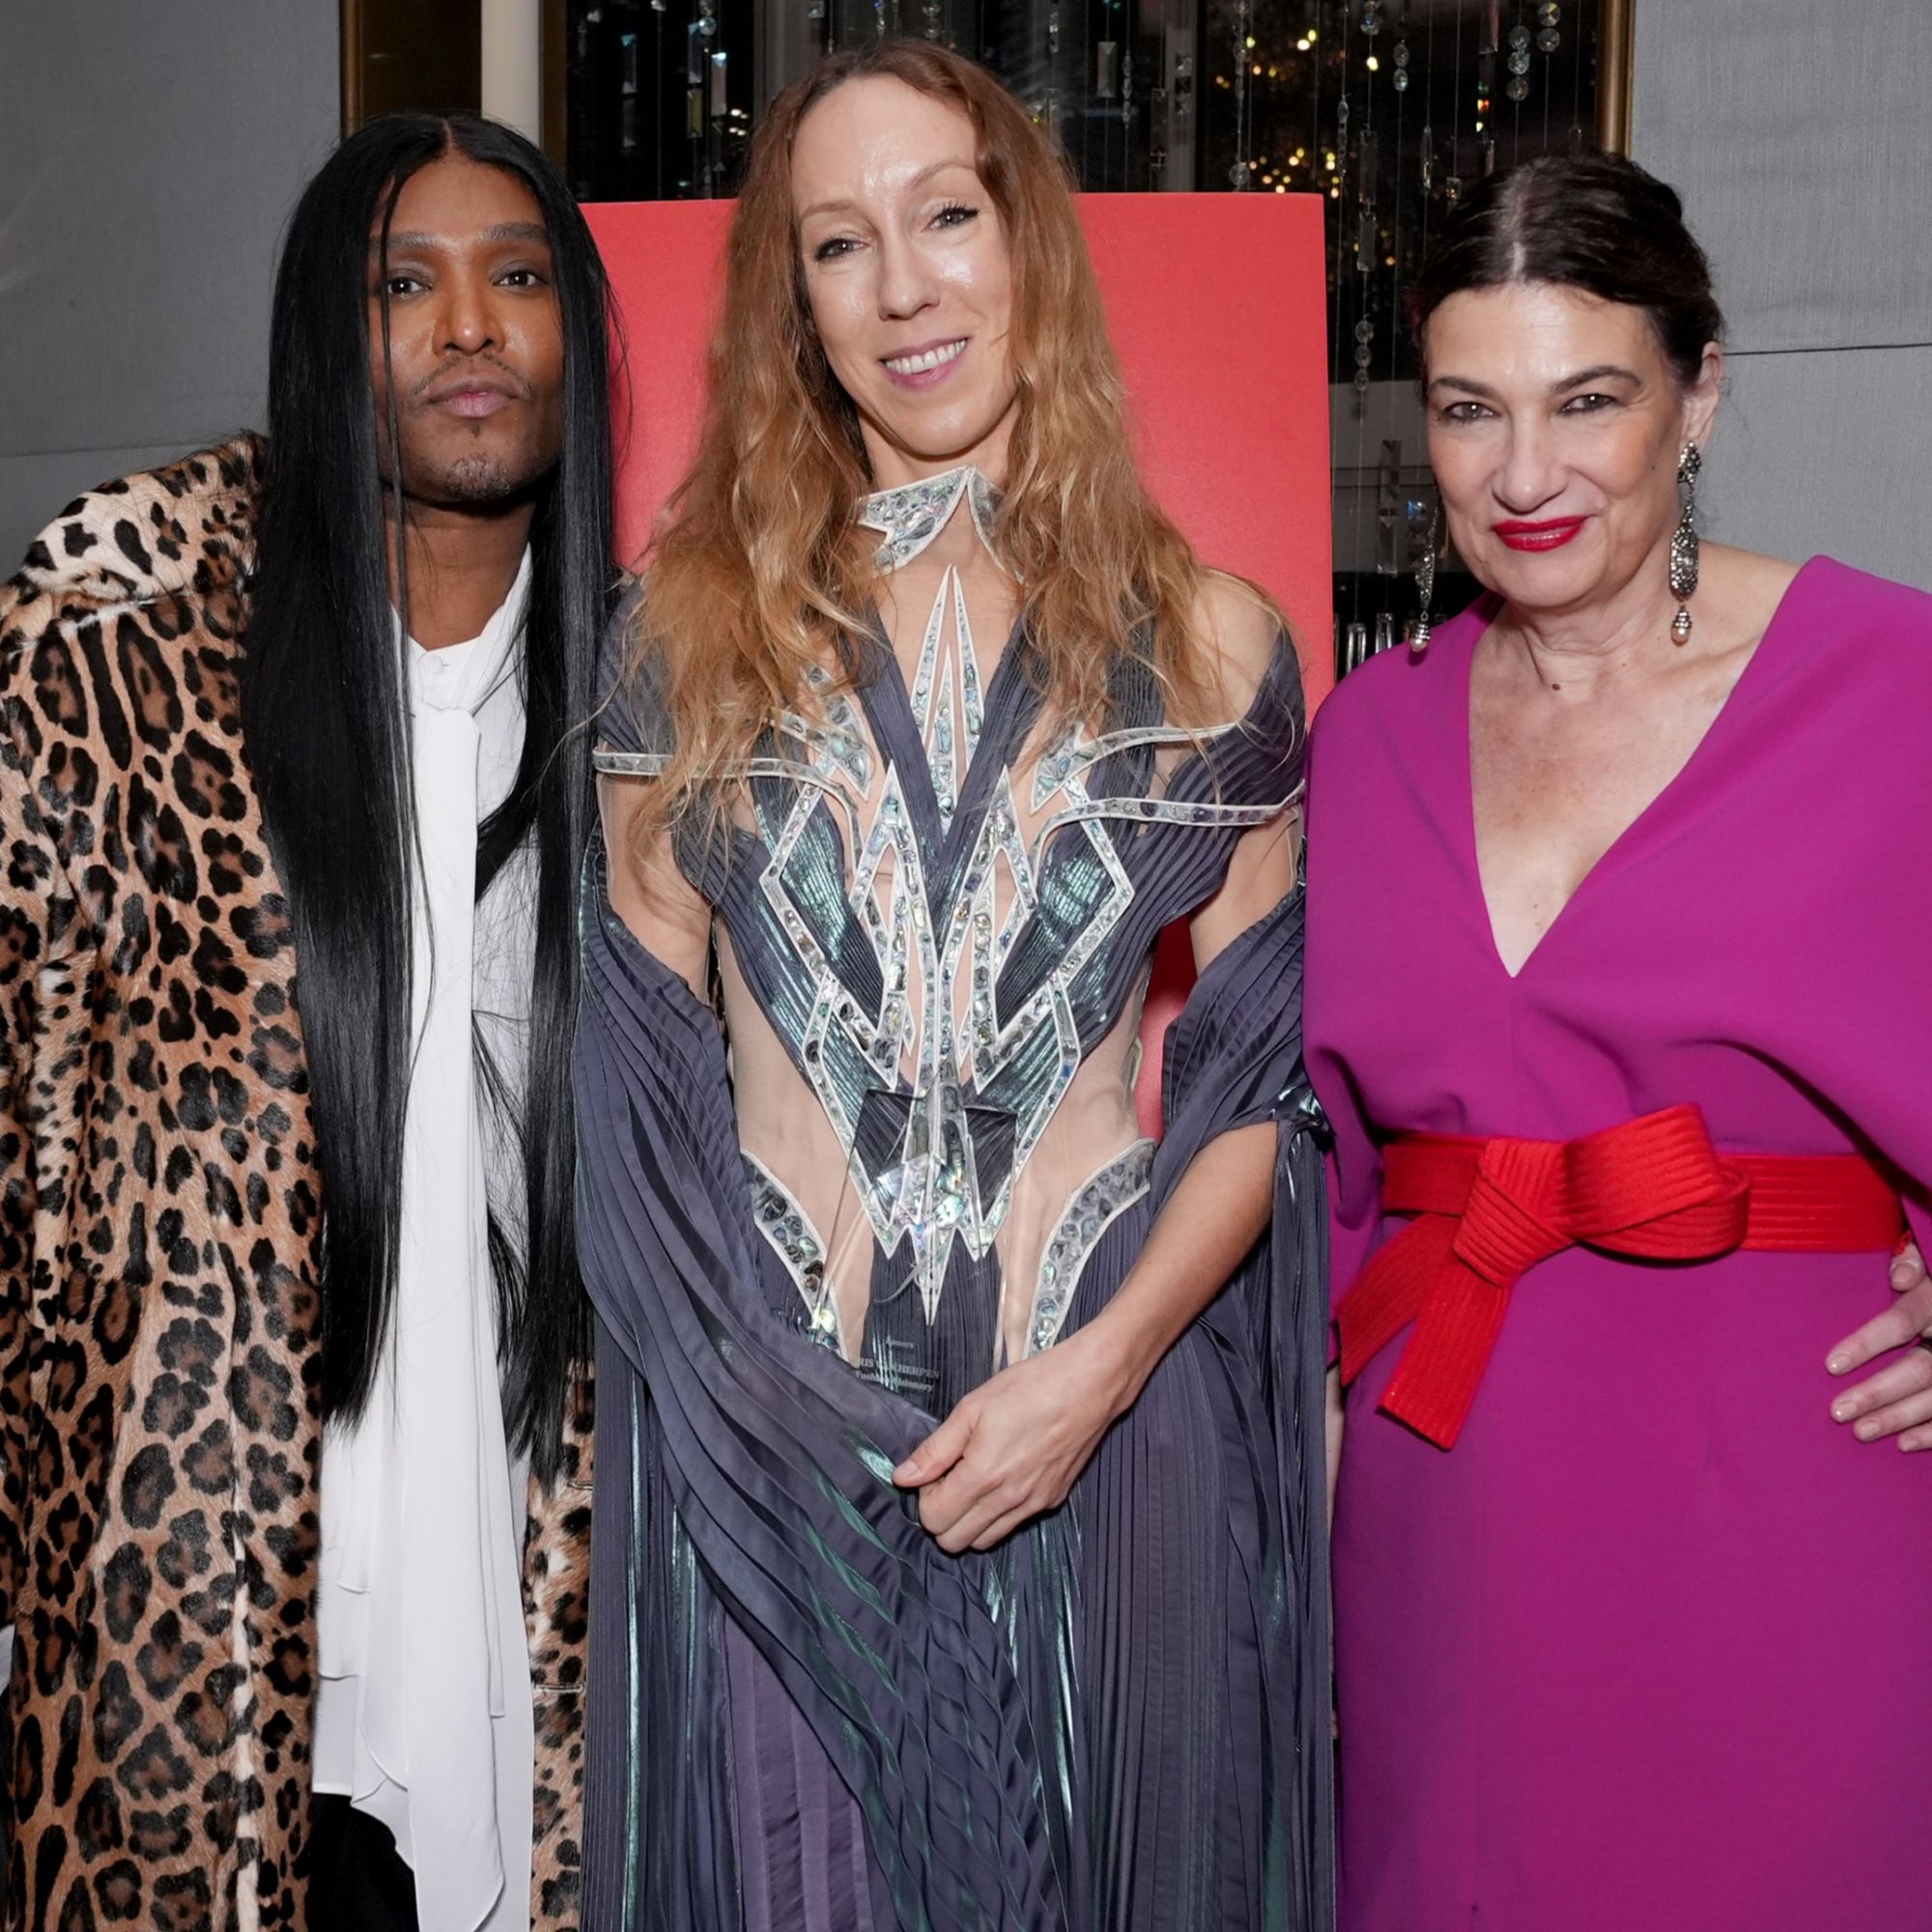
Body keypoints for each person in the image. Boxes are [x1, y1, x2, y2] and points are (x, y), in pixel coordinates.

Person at [575, 42, 1332, 1930]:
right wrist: (770, 1422)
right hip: (772, 1465)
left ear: (1030, 248)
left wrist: (1104, 1371)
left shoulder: (1214, 641)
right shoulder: (676, 645)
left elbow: (1255, 1096)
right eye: (840, 245)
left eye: (945, 218)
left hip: (1105, 1431)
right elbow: (637, 1101)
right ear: (795, 307)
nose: (905, 286)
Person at [1306, 152, 1932, 1930]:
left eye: (1589, 401)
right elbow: (1323, 1187)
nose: (1523, 476)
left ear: (1700, 392)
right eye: (1467, 410)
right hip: (1449, 1524)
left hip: (1796, 1512)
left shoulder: (1894, 685)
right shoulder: (1367, 738)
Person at [0, 115, 611, 1932]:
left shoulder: (657, 722)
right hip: (192, 1581)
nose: (468, 328)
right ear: (318, 339)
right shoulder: (127, 667)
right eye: (400, 286)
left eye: (517, 278)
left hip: (538, 1586)